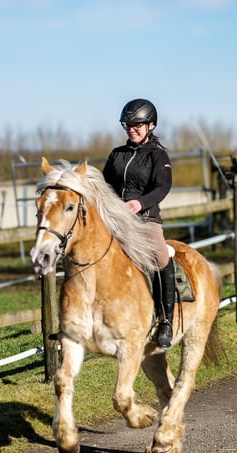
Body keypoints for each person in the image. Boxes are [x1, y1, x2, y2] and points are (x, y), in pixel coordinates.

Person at [102, 98, 175, 349]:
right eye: (128, 125)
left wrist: (139, 204)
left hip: (145, 220)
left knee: (161, 257)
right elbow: (105, 186)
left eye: (137, 125)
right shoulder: (116, 155)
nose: (131, 129)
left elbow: (163, 186)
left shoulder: (158, 155)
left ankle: (165, 321)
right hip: (116, 219)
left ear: (150, 125)